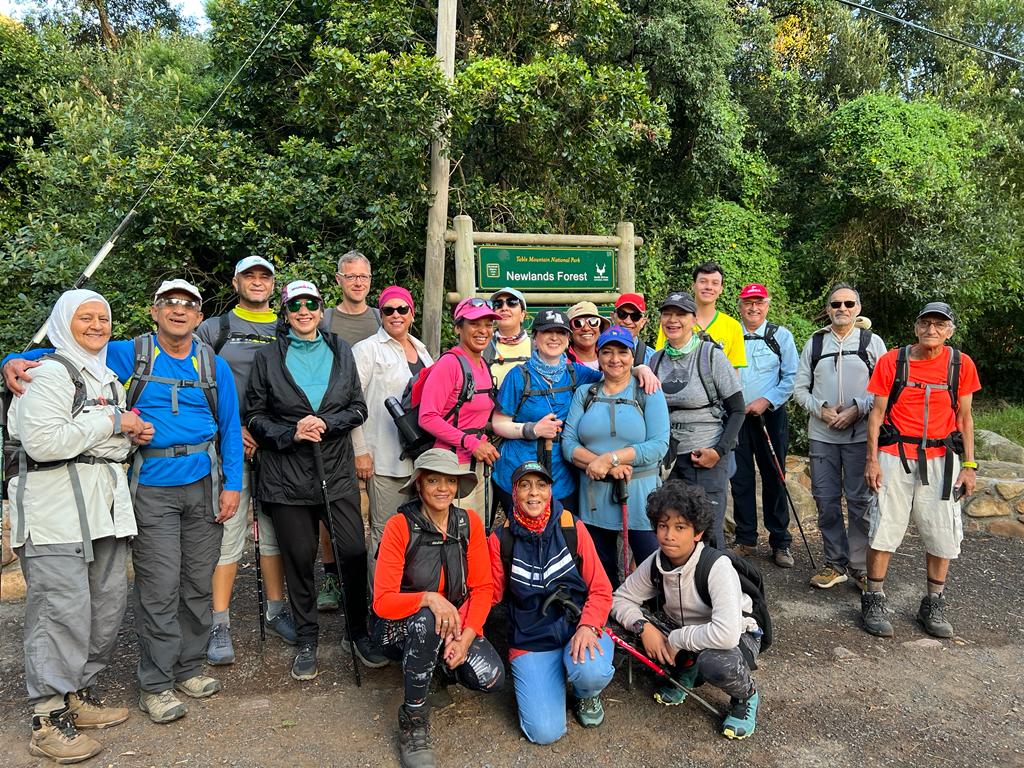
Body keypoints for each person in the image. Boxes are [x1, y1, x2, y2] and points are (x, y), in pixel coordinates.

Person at [4, 278, 244, 724]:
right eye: (169, 303)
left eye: (188, 304)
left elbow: (230, 425)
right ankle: (156, 683)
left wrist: (233, 485)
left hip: (204, 485)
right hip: (149, 485)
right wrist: (10, 359)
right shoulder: (129, 353)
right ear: (154, 311)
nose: (179, 310)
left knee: (196, 584)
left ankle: (188, 668)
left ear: (199, 315)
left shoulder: (213, 363)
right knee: (158, 587)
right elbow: (59, 354)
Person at [8, 290, 153, 763]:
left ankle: (77, 694)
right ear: (63, 321)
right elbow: (45, 442)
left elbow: (111, 446)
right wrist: (111, 421)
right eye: (85, 318)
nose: (96, 325)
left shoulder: (106, 375)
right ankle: (47, 718)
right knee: (59, 611)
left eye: (103, 318)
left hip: (103, 512)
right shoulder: (49, 374)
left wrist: (119, 430)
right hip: (55, 517)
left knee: (105, 608)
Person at [245, 280, 386, 680]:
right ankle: (307, 637)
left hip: (335, 470)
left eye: (310, 304)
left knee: (354, 552)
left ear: (321, 310)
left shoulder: (340, 349)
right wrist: (291, 433)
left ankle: (357, 632)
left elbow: (357, 408)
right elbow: (254, 415)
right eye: (295, 305)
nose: (303, 311)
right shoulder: (268, 357)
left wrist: (326, 422)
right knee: (299, 559)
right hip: (286, 475)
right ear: (285, 313)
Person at [372, 449, 504, 768]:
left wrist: (466, 637)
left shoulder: (468, 523)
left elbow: (483, 587)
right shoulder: (399, 526)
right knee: (427, 620)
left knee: (490, 678)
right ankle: (414, 719)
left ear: (458, 485)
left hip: (454, 622)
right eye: (433, 480)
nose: (442, 488)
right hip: (399, 625)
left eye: (449, 480)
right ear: (419, 485)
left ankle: (439, 665)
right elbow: (383, 600)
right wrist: (428, 598)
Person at [197, 256, 295, 665]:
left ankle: (276, 610)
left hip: (276, 446)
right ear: (236, 281)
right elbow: (194, 382)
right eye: (250, 276)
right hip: (229, 444)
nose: (258, 282)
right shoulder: (213, 329)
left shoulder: (288, 327)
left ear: (273, 285)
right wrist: (233, 430)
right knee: (230, 530)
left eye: (265, 277)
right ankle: (219, 622)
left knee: (274, 530)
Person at [861, 302, 980, 639]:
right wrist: (871, 460)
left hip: (943, 458)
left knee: (943, 531)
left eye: (939, 325)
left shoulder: (961, 365)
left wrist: (969, 465)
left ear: (950, 331)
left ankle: (934, 602)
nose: (932, 330)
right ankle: (874, 597)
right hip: (894, 454)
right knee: (884, 525)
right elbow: (876, 415)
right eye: (926, 323)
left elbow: (965, 418)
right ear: (915, 327)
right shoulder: (892, 362)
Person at [611, 480, 762, 740]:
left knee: (715, 662)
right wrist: (644, 627)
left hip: (735, 636)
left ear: (697, 532)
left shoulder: (716, 566)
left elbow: (726, 634)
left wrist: (675, 640)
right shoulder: (656, 562)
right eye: (662, 526)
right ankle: (686, 670)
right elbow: (619, 599)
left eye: (680, 527)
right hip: (681, 629)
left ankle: (745, 696)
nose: (669, 535)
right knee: (617, 629)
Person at [488, 461, 614, 744]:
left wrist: (589, 626)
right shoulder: (501, 539)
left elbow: (601, 588)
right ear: (514, 492)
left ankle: (585, 694)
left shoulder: (571, 527)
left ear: (550, 490)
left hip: (575, 628)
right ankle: (552, 675)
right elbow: (491, 594)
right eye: (525, 485)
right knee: (544, 732)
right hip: (531, 639)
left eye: (541, 485)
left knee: (590, 672)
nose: (534, 494)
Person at [793, 283, 887, 591]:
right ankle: (835, 562)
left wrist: (857, 409)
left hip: (861, 435)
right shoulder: (816, 343)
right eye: (836, 304)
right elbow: (799, 389)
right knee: (826, 500)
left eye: (848, 304)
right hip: (823, 435)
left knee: (861, 501)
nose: (842, 309)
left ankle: (859, 565)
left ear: (858, 308)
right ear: (828, 308)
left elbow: (885, 391)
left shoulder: (873, 343)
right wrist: (821, 410)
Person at [562, 326, 670, 588]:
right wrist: (608, 468)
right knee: (601, 574)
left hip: (640, 498)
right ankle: (607, 622)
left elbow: (659, 445)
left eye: (622, 352)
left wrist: (610, 458)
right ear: (598, 356)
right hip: (594, 498)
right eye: (607, 352)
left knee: (653, 569)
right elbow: (568, 444)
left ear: (633, 356)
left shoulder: (648, 391)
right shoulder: (585, 393)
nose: (615, 359)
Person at [652, 291, 745, 551]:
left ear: (693, 320)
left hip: (705, 456)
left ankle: (718, 590)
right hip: (669, 459)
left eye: (681, 314)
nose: (673, 320)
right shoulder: (655, 359)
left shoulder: (710, 356)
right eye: (667, 314)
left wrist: (719, 452)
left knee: (709, 533)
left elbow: (738, 409)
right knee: (673, 532)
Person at [351, 285, 433, 577]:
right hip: (384, 458)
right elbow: (351, 402)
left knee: (418, 532)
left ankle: (411, 598)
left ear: (412, 313)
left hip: (421, 458)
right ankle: (381, 607)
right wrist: (360, 451)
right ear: (381, 314)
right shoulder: (366, 350)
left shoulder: (422, 350)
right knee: (385, 533)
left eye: (403, 309)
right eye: (389, 310)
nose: (396, 315)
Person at [491, 309, 604, 516]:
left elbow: (613, 376)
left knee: (562, 536)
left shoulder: (576, 373)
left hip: (561, 474)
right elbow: (499, 423)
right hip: (519, 470)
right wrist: (532, 429)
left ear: (568, 339)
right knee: (523, 539)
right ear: (535, 338)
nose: (554, 338)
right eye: (546, 332)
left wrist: (640, 369)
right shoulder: (518, 376)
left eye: (560, 333)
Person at [319, 250, 382, 614]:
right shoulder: (325, 319)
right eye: (351, 276)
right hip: (332, 425)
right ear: (339, 280)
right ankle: (331, 575)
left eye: (363, 276)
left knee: (371, 507)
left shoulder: (381, 317)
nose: (358, 282)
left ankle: (371, 574)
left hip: (374, 426)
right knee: (332, 503)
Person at [729, 284, 799, 567]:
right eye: (748, 303)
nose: (753, 308)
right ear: (740, 304)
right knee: (741, 478)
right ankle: (745, 539)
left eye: (759, 303)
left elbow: (791, 377)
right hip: (736, 417)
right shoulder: (731, 334)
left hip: (769, 415)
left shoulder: (780, 336)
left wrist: (767, 400)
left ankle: (780, 542)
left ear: (767, 305)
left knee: (774, 476)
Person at [418, 297, 502, 521]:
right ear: (458, 327)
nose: (483, 330)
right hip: (451, 465)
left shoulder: (483, 363)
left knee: (476, 531)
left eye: (488, 324)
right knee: (455, 533)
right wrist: (472, 443)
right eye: (475, 323)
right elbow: (427, 417)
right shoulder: (450, 364)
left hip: (478, 462)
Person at [485, 287, 532, 387]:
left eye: (512, 302)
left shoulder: (537, 347)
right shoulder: (483, 347)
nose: (504, 308)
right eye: (498, 304)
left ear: (522, 315)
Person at [611, 292, 654, 364]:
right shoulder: (597, 350)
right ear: (612, 317)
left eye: (635, 316)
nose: (628, 321)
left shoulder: (652, 358)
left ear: (643, 322)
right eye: (622, 314)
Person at [566, 300, 609, 370]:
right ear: (569, 331)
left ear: (600, 328)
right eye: (578, 323)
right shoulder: (560, 363)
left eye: (593, 321)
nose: (586, 328)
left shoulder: (612, 357)